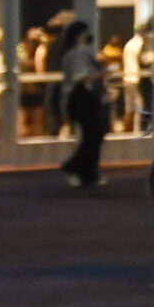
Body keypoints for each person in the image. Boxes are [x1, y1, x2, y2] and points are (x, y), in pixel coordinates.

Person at [56, 20, 109, 187]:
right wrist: (102, 73)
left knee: (92, 135)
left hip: (81, 99)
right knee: (94, 134)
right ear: (80, 35)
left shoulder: (74, 54)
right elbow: (82, 77)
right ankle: (76, 167)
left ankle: (86, 173)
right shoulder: (77, 54)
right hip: (82, 99)